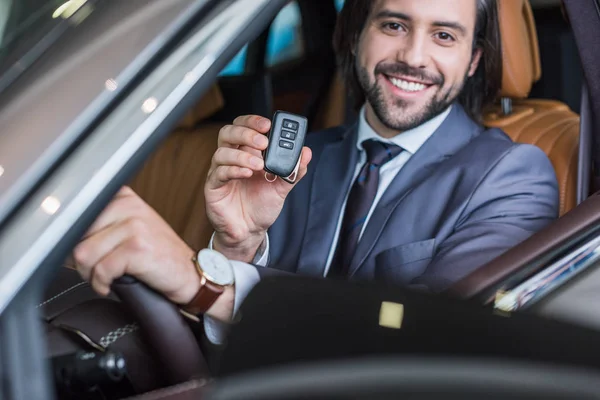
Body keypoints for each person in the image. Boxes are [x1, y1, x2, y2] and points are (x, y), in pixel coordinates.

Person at [74, 0, 558, 344]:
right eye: (393, 25)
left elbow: (427, 337)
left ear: (473, 59)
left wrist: (205, 284)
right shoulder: (300, 160)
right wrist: (237, 245)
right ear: (355, 36)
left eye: (444, 36)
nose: (413, 56)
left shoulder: (513, 175)